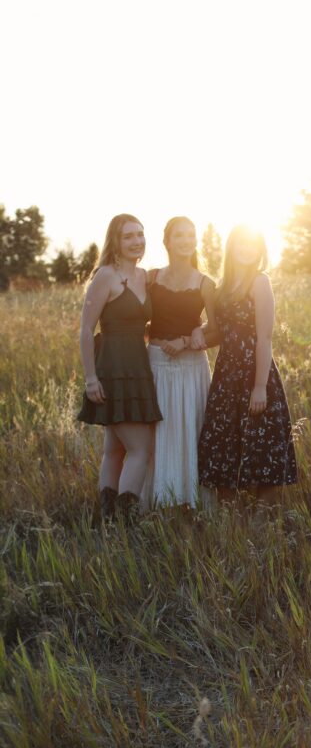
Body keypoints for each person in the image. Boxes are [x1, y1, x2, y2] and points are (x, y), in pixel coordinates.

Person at [197, 225, 297, 510]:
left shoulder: (259, 282)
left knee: (262, 444)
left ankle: (261, 520)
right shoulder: (222, 287)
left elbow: (265, 337)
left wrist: (260, 386)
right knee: (223, 442)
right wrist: (194, 333)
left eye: (253, 244)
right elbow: (219, 331)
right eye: (242, 244)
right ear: (232, 248)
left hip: (255, 371)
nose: (247, 249)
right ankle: (229, 519)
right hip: (226, 375)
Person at [77, 214, 162, 522]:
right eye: (128, 236)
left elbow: (139, 324)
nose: (137, 241)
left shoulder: (144, 276)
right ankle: (125, 524)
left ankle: (106, 521)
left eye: (140, 234)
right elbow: (86, 330)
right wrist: (91, 379)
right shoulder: (105, 276)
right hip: (112, 368)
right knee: (141, 449)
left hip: (137, 367)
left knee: (115, 449)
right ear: (115, 241)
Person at [140, 217, 216, 509]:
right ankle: (156, 501)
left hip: (191, 368)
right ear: (167, 241)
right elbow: (137, 316)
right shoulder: (151, 278)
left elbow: (218, 330)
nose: (186, 241)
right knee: (157, 433)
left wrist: (186, 340)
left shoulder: (205, 283)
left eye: (190, 235)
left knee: (188, 430)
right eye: (179, 235)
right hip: (155, 364)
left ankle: (190, 500)